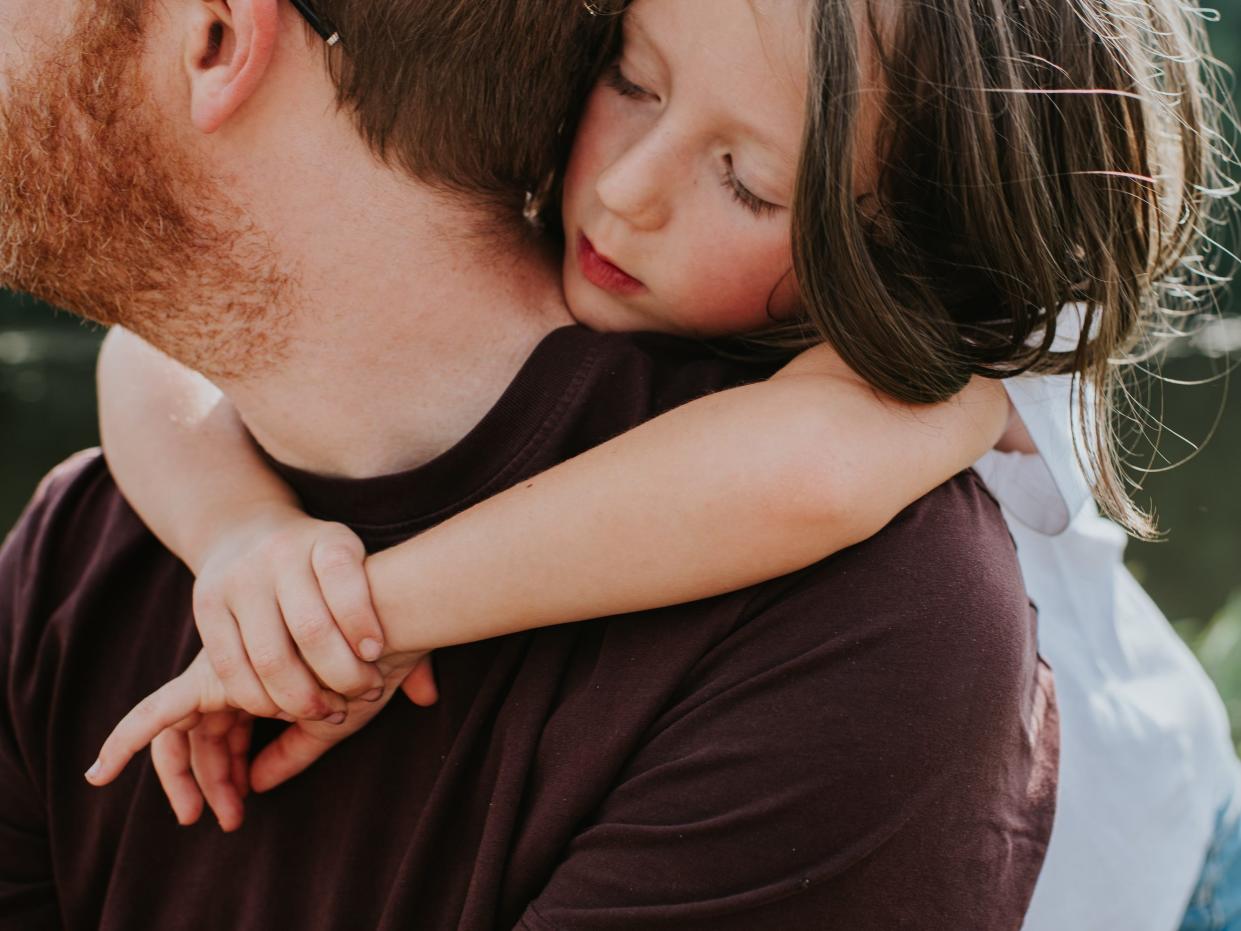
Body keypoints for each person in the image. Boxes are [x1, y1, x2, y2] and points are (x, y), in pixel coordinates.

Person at [89, 0, 1237, 929]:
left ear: (909, 249)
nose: (630, 186)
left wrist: (363, 618)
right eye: (631, 79)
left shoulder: (981, 326)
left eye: (747, 184)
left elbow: (801, 479)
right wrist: (241, 535)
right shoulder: (585, 180)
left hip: (1142, 870)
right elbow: (158, 346)